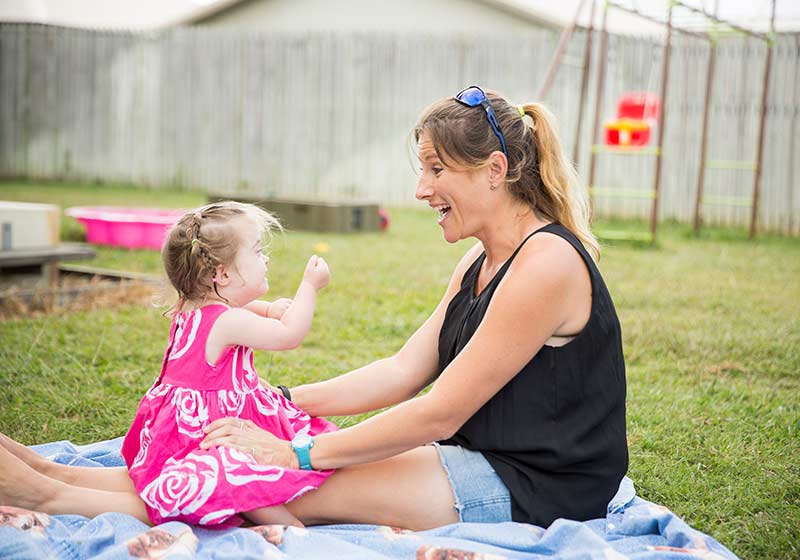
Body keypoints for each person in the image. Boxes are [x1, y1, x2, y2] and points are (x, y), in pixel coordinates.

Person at [0, 86, 627, 531]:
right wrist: (278, 403)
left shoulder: (545, 264)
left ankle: (45, 493)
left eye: (436, 170)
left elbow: (438, 410)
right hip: (480, 458)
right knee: (239, 460)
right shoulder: (480, 262)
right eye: (421, 170)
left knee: (268, 488)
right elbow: (402, 370)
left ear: (494, 170)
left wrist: (293, 453)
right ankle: (48, 470)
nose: (420, 189)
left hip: (535, 486)